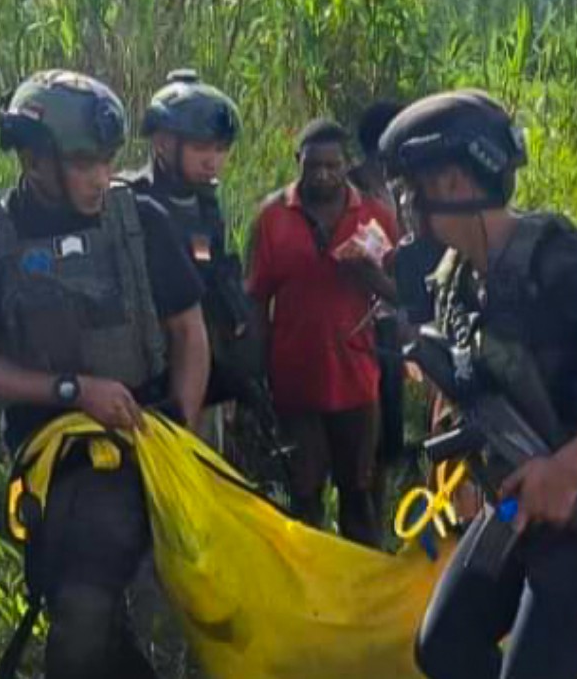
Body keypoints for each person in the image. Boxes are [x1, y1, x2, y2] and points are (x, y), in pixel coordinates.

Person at [388, 90, 577, 679]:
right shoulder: (456, 278)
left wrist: (569, 467)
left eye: (411, 188)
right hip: (513, 506)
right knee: (444, 645)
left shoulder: (556, 261)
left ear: (451, 182)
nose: (407, 207)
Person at [0, 70, 208, 679]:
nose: (99, 179)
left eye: (107, 162)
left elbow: (188, 329)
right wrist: (71, 391)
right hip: (55, 454)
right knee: (83, 600)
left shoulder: (143, 223)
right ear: (32, 159)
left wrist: (181, 426)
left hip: (154, 436)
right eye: (83, 164)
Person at [246, 118, 397, 545]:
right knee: (304, 498)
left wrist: (371, 277)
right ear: (298, 163)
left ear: (347, 164)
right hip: (294, 384)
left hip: (357, 380)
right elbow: (255, 300)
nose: (323, 175)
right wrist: (256, 374)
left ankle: (364, 594)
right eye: (314, 166)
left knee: (360, 496)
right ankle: (310, 599)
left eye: (333, 166)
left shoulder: (375, 215)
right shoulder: (272, 218)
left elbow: (405, 295)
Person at [124, 70, 263, 449]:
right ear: (163, 143)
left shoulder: (204, 205)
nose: (213, 161)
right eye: (203, 149)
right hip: (141, 373)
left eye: (221, 150)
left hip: (199, 367)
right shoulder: (126, 203)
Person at [351, 99, 409, 474]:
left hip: (393, 318)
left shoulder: (402, 186)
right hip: (360, 320)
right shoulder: (352, 190)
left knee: (391, 415)